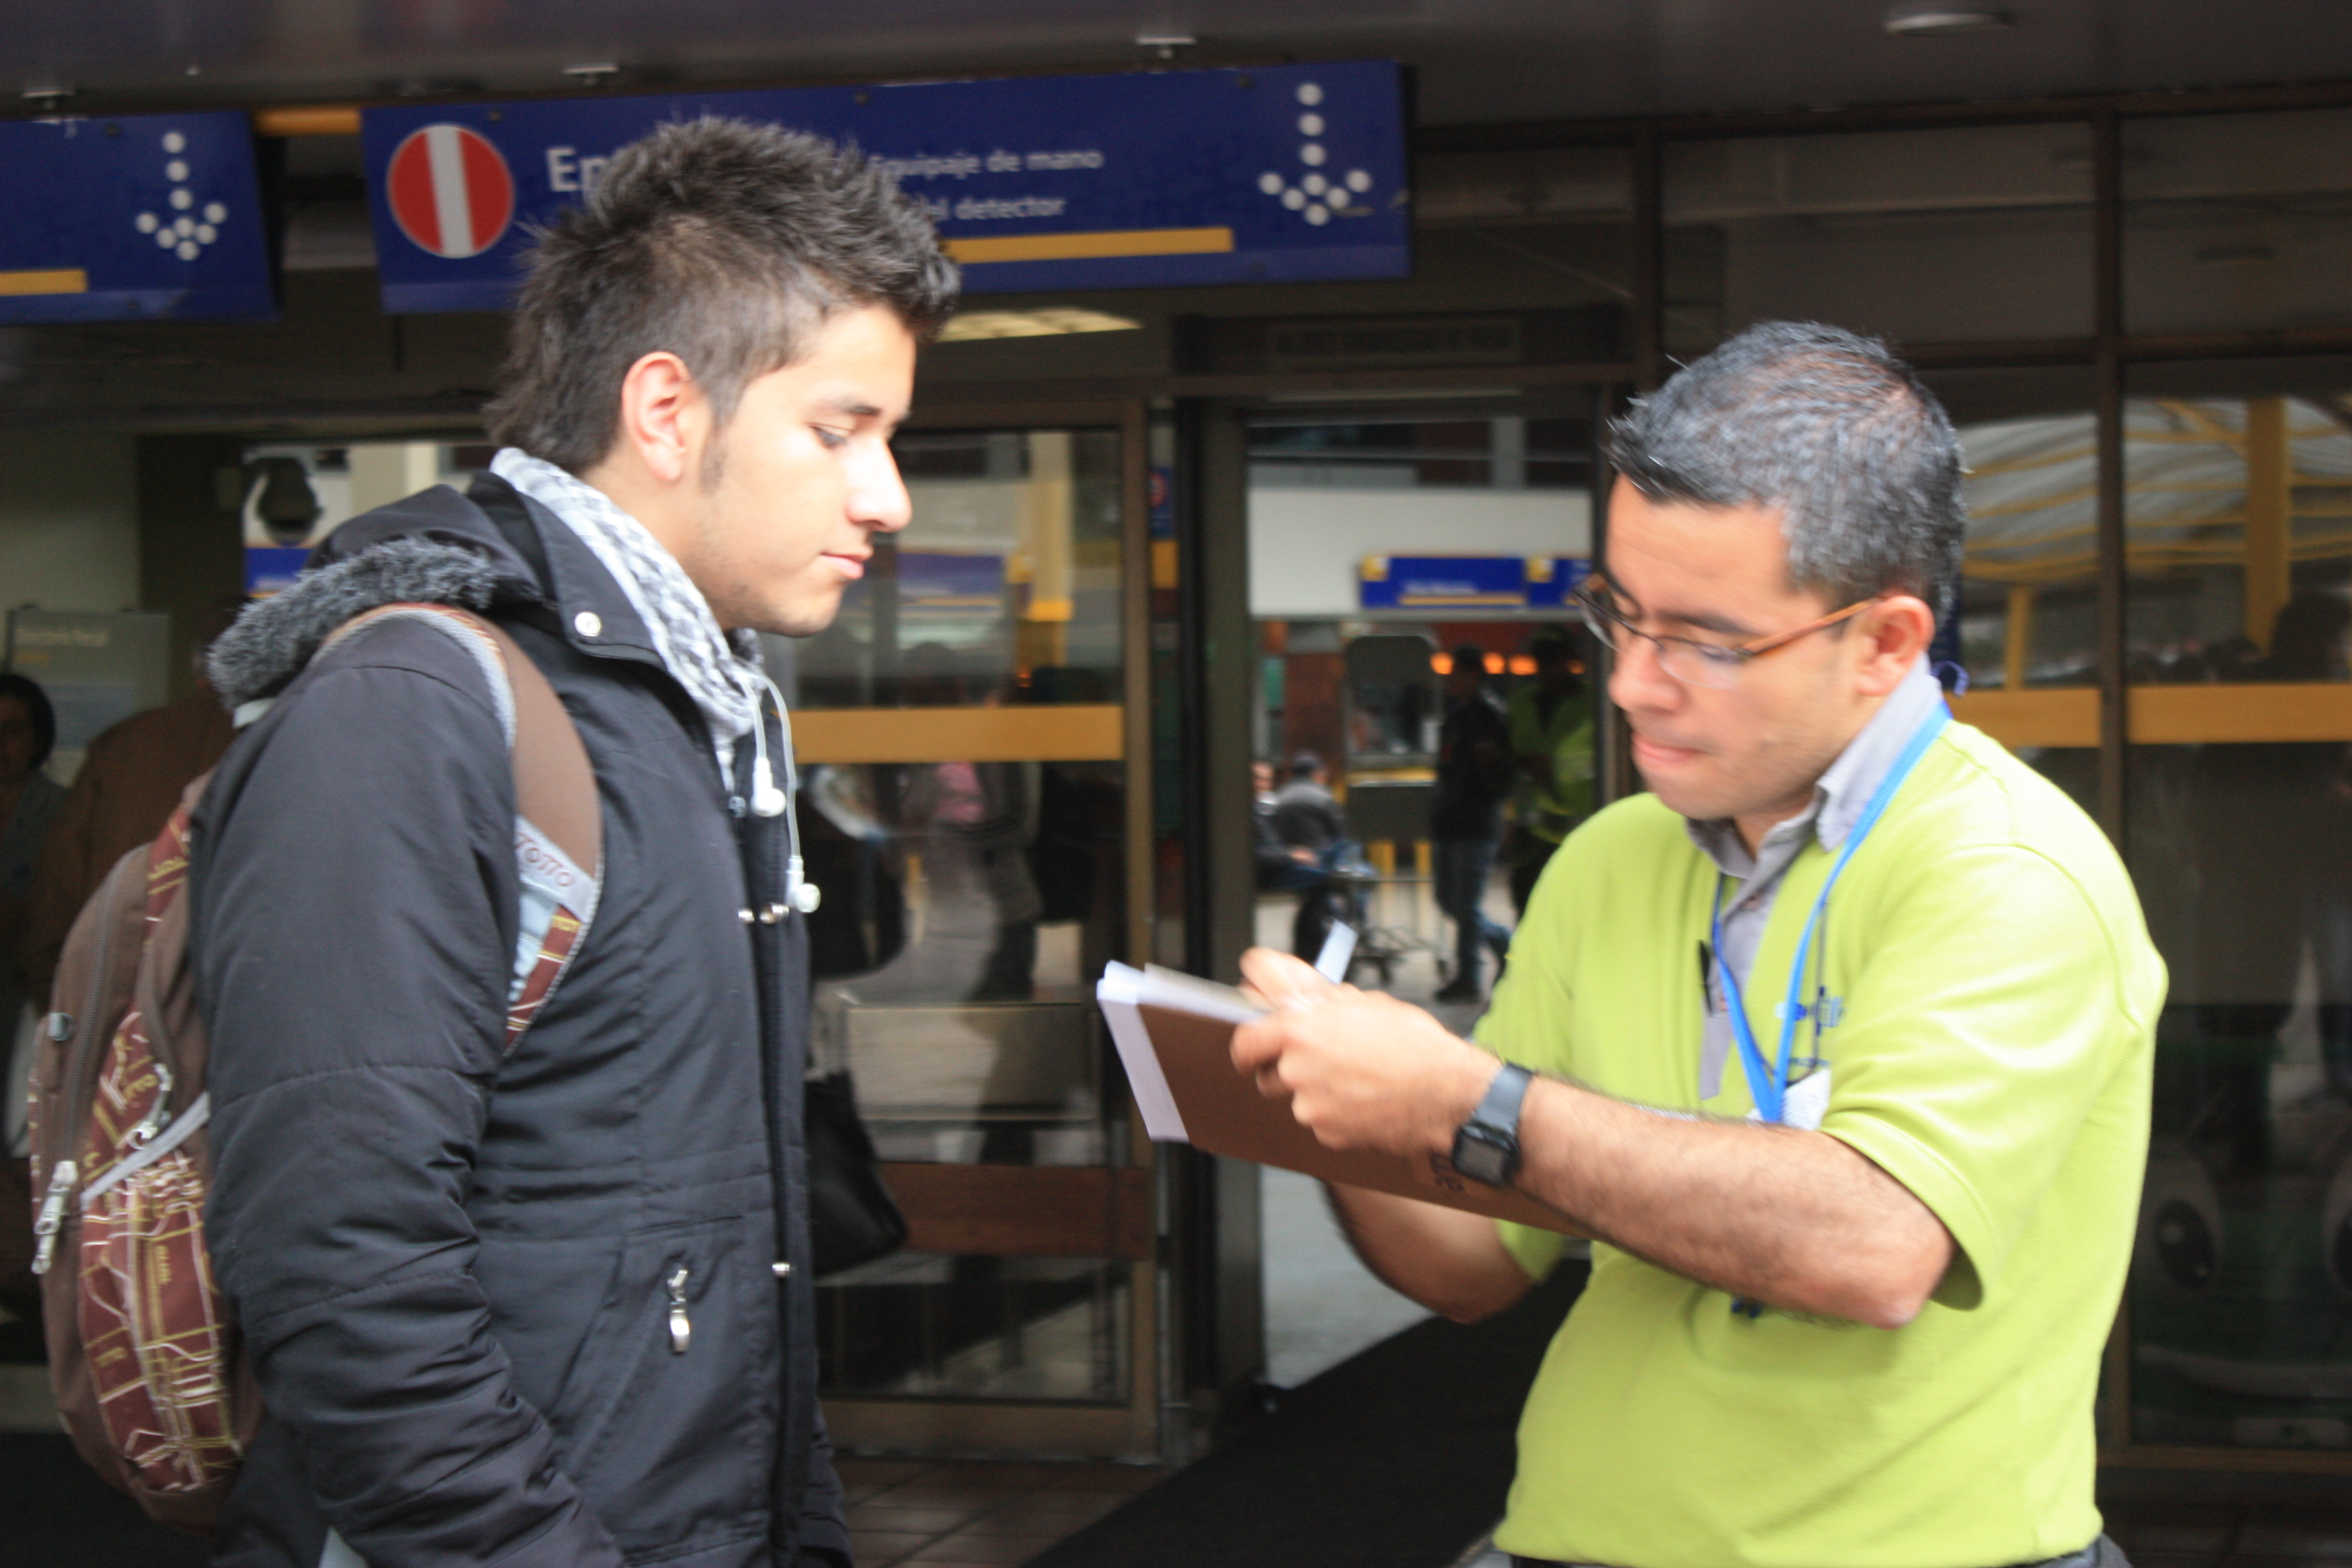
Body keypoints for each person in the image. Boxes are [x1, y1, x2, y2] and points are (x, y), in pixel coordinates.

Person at [1231, 322, 2162, 1568]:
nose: (1632, 683)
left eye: (1710, 641)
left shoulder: (2002, 869)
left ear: (1884, 641)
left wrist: (1469, 1094)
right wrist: (1322, 1103)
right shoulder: (1613, 856)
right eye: (1623, 613)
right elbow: (1475, 1265)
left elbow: (1875, 1241)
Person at [189, 118, 956, 1568]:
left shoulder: (691, 709)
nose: (888, 497)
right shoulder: (416, 704)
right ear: (667, 411)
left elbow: (732, 1250)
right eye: (842, 432)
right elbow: (341, 1272)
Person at [16, 609, 238, 1010]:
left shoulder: (124, 747)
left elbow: (56, 896)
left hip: (121, 1004)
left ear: (194, 665)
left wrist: (62, 1009)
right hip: (245, 1005)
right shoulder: (298, 744)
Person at [1430, 645, 1513, 1001]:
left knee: (1466, 906)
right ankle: (1502, 942)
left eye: (1456, 673)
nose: (1450, 680)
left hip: (1476, 821)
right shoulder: (1455, 717)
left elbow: (1500, 771)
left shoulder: (1490, 716)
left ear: (1473, 675)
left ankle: (1469, 977)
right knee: (1448, 900)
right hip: (1449, 821)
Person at [1503, 629, 1592, 913]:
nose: (1548, 669)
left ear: (1569, 661)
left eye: (1554, 661)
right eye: (1542, 662)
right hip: (1531, 822)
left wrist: (1552, 766)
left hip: (1579, 822)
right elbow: (1510, 752)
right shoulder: (1523, 701)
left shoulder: (1591, 701)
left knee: (1572, 901)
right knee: (1526, 896)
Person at [1271, 750, 1350, 959]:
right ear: (1317, 774)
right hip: (1318, 863)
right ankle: (1345, 951)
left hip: (1288, 866)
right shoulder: (1322, 796)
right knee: (1356, 881)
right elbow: (1341, 831)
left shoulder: (1279, 796)